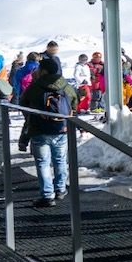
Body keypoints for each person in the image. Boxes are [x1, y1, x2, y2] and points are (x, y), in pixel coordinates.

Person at [19, 58, 78, 207]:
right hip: (61, 129)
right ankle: (60, 189)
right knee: (60, 159)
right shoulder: (66, 86)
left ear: (43, 70)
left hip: (39, 130)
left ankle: (47, 195)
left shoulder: (34, 87)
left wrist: (32, 118)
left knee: (43, 162)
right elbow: (74, 103)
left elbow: (23, 104)